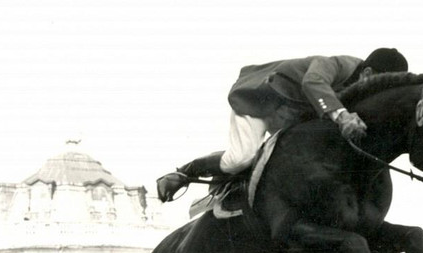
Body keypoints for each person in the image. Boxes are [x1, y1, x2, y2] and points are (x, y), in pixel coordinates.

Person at [156, 48, 409, 202]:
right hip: (259, 102)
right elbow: (312, 82)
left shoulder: (358, 88)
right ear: (367, 74)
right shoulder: (335, 63)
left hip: (289, 117)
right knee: (241, 159)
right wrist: (342, 116)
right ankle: (186, 171)